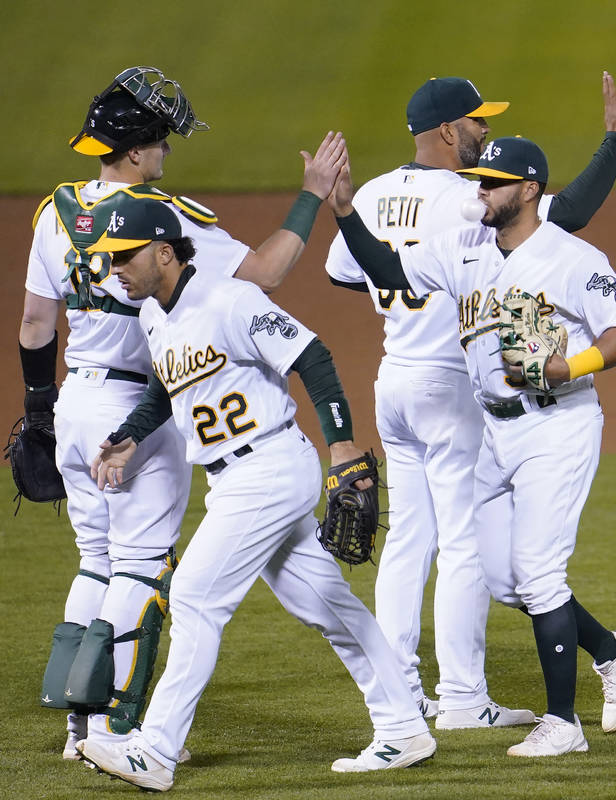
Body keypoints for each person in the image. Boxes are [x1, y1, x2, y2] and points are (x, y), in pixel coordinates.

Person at [21, 66, 345, 761]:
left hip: (74, 402)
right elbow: (264, 272)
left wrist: (39, 414)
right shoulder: (164, 220)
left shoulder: (56, 211)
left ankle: (78, 730)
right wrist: (312, 195)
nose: (166, 153)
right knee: (140, 567)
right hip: (139, 406)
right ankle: (112, 728)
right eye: (160, 142)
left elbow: (33, 325)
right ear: (136, 152)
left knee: (95, 561)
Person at [81, 195, 434, 791]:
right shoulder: (153, 317)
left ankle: (156, 751)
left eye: (124, 254)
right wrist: (129, 438)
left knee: (194, 598)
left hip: (268, 467)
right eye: (109, 256)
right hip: (236, 480)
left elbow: (313, 356)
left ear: (164, 252)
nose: (114, 267)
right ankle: (403, 724)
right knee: (328, 604)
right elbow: (170, 388)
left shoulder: (231, 299)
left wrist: (342, 444)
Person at [323, 73, 616, 729]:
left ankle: (401, 689)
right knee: (466, 547)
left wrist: (349, 211)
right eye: (475, 122)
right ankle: (464, 697)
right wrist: (614, 143)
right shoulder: (463, 207)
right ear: (446, 130)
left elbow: (349, 271)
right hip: (456, 390)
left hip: (395, 377)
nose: (482, 134)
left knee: (410, 540)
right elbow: (563, 216)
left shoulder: (377, 191)